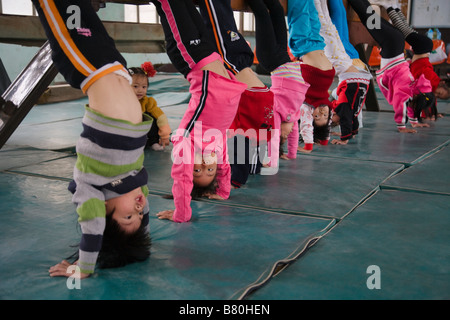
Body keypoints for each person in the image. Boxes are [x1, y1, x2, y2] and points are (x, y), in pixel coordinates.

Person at [32, 0, 153, 279]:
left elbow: (94, 226)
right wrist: (138, 226)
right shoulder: (133, 179)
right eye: (139, 215)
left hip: (86, 65)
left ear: (104, 209)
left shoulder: (90, 189)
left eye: (128, 217)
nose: (139, 208)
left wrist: (83, 268)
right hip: (114, 64)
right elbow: (142, 213)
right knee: (82, 7)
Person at [151, 0, 247, 222]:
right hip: (211, 56)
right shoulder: (216, 145)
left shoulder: (186, 143)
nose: (205, 166)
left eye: (197, 171)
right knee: (185, 6)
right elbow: (224, 168)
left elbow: (181, 180)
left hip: (191, 59)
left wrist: (181, 213)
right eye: (209, 171)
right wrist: (223, 192)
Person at [347, 0, 435, 133]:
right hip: (391, 44)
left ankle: (386, 5)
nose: (412, 105)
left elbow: (410, 105)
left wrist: (414, 122)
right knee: (367, 18)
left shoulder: (413, 89)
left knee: (371, 18)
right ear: (416, 98)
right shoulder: (406, 91)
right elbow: (402, 105)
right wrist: (402, 127)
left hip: (396, 43)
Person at [313, 0, 372, 145]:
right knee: (326, 31)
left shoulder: (350, 111)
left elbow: (352, 121)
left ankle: (320, 5)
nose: (326, 112)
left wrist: (351, 132)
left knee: (332, 31)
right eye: (328, 117)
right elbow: (346, 119)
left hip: (359, 74)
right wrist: (344, 138)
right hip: (350, 72)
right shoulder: (343, 108)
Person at [286, 0, 336, 153]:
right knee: (308, 13)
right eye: (325, 116)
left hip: (307, 50)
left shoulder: (307, 107)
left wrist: (308, 145)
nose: (321, 113)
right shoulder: (327, 105)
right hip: (316, 46)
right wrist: (324, 139)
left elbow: (306, 125)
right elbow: (324, 127)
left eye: (317, 117)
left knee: (301, 11)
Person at [384, 5, 449, 119]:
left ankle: (396, 9)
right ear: (442, 84)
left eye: (439, 96)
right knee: (403, 30)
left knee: (406, 29)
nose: (436, 94)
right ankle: (388, 8)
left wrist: (434, 114)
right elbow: (427, 101)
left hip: (425, 47)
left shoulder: (433, 84)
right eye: (440, 92)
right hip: (422, 48)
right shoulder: (430, 83)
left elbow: (431, 101)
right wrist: (428, 114)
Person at [128, 63, 172, 150]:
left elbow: (161, 117)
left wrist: (165, 135)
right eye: (135, 86)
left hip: (144, 134)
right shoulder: (121, 101)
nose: (140, 90)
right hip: (129, 133)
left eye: (144, 87)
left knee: (152, 117)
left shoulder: (148, 102)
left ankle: (153, 142)